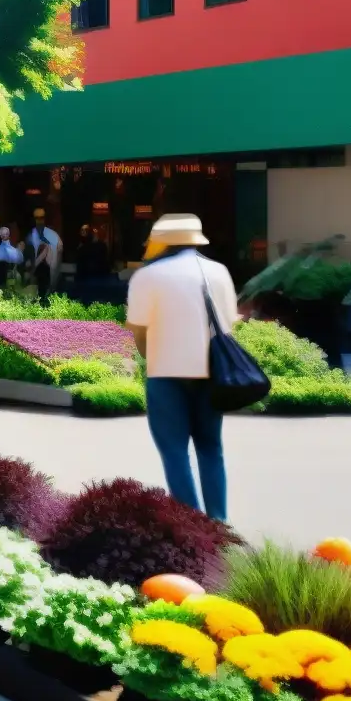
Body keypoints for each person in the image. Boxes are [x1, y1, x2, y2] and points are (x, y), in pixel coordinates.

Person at [125, 213, 239, 519]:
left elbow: (138, 328)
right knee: (211, 448)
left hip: (166, 372)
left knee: (174, 453)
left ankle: (193, 524)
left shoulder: (148, 276)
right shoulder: (218, 272)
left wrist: (151, 358)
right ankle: (219, 523)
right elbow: (230, 326)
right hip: (211, 371)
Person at [26, 210, 63, 297]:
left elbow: (59, 249)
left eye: (41, 218)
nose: (39, 221)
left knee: (46, 289)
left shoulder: (52, 235)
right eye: (37, 218)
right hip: (41, 269)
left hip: (47, 267)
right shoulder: (33, 234)